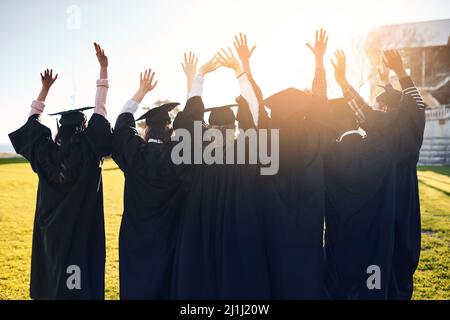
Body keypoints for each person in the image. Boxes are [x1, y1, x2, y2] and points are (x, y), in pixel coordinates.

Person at [8, 43, 112, 299]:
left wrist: (44, 90)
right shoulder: (90, 150)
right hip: (81, 231)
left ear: (59, 128)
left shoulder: (44, 153)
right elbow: (101, 112)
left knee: (54, 280)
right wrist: (103, 69)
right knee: (79, 283)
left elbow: (32, 123)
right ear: (84, 127)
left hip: (51, 233)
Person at [323, 49, 425, 299]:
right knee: (394, 276)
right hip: (402, 217)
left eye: (380, 106)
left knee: (383, 270)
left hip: (387, 218)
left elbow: (367, 115)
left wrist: (343, 82)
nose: (375, 109)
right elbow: (413, 109)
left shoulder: (387, 139)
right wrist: (396, 75)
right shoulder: (406, 138)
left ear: (389, 112)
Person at [171, 48, 271, 299]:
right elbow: (258, 117)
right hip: (240, 237)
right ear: (235, 128)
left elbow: (187, 123)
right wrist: (240, 72)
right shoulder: (249, 153)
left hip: (201, 238)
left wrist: (198, 78)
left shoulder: (194, 156)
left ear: (210, 128)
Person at [112, 69, 187, 299]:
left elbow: (123, 124)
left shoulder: (135, 152)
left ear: (146, 129)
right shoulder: (178, 155)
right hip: (169, 236)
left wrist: (140, 92)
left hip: (135, 236)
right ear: (170, 129)